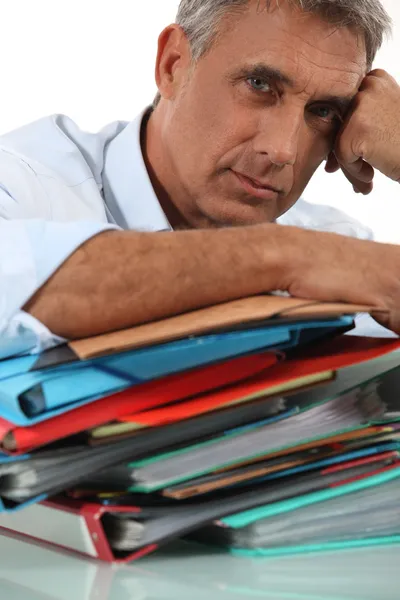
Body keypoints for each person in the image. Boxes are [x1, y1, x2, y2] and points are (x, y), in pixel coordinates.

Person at [0, 0, 399, 360]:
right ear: (172, 64)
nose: (284, 150)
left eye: (325, 111)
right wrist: (284, 256)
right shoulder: (20, 184)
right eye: (259, 85)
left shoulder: (338, 249)